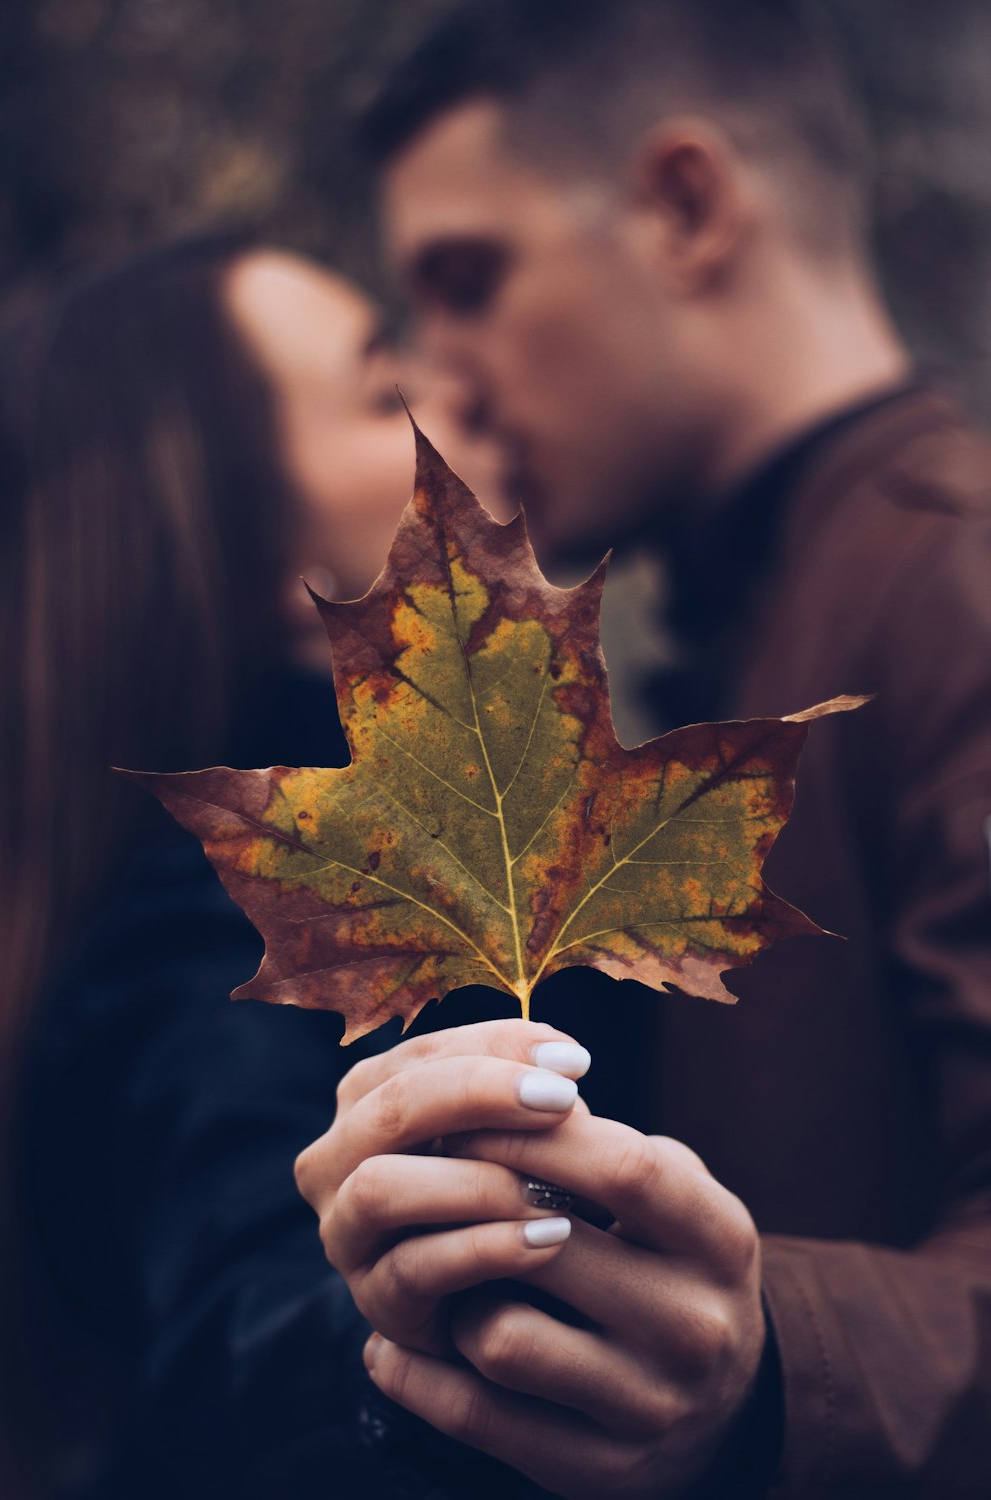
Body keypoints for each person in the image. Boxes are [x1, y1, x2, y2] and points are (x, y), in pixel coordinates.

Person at [292, 2, 991, 1497]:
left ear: (685, 208)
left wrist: (765, 1359)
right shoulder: (763, 613)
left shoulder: (955, 588)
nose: (450, 379)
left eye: (471, 281)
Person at [0, 233, 524, 1500]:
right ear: (250, 558)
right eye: (379, 385)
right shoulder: (215, 923)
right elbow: (254, 1294)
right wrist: (406, 1359)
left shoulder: (414, 841)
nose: (467, 397)